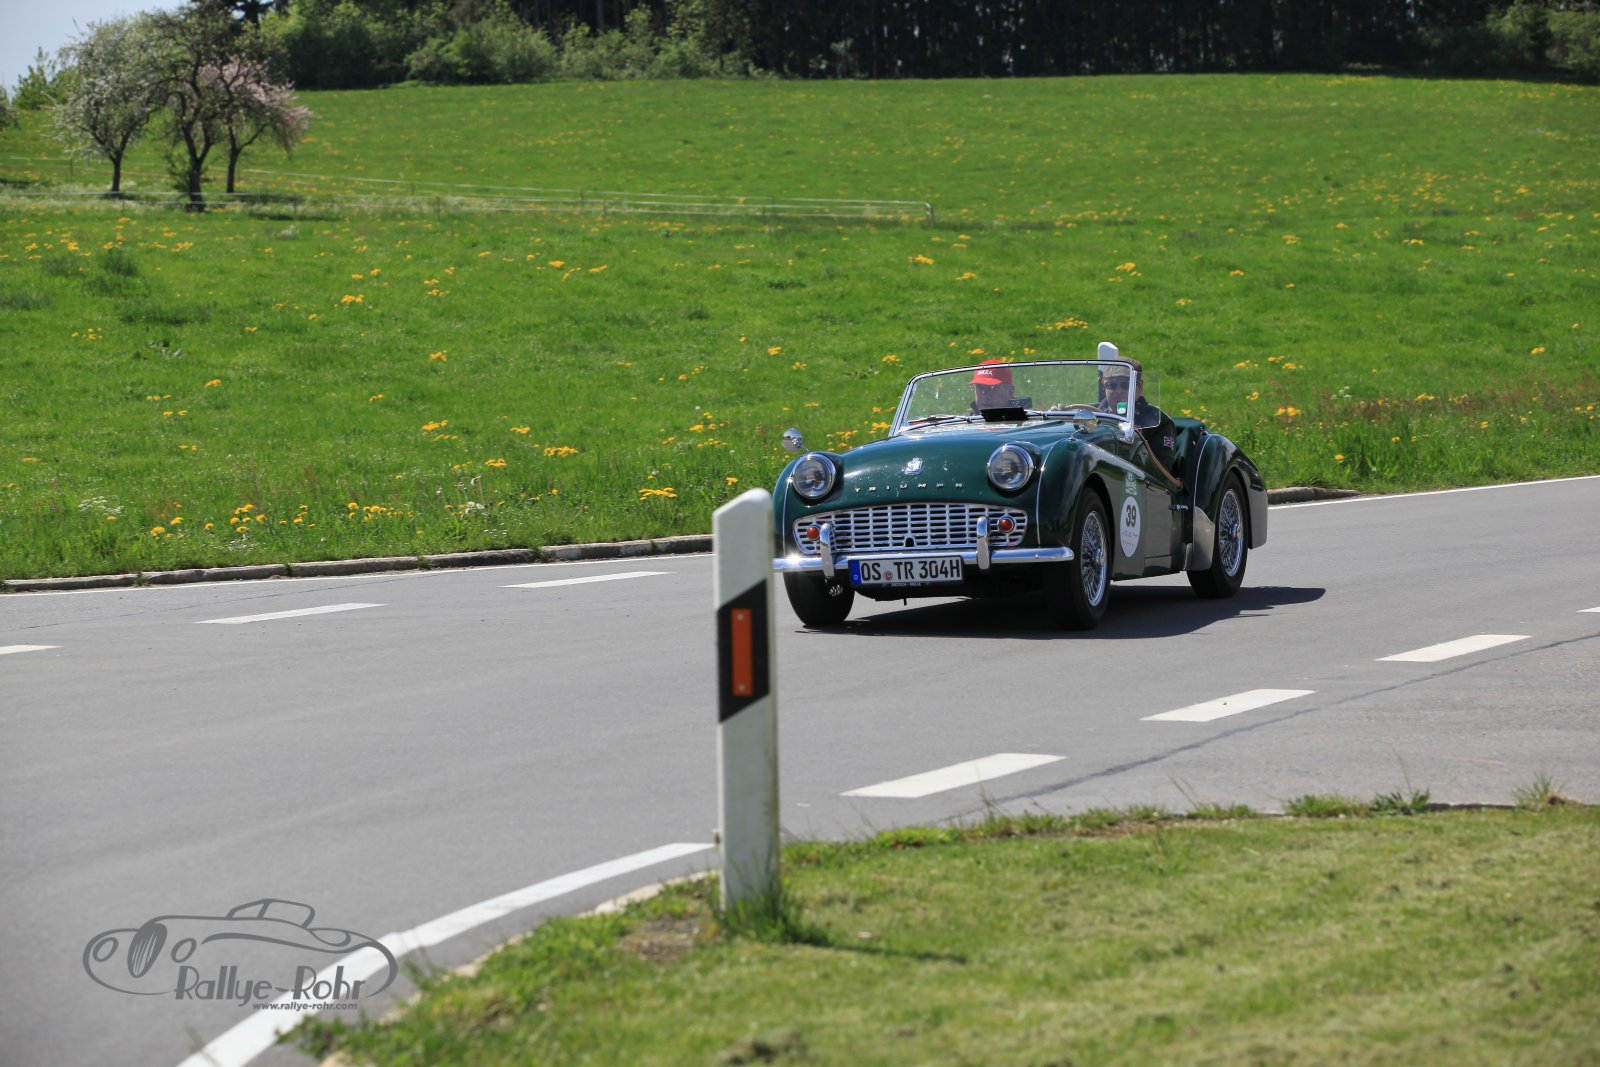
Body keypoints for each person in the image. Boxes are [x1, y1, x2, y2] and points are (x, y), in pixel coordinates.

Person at [1100, 357, 1183, 488]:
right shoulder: (1089, 414)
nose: (1118, 391)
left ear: (1140, 386)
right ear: (1104, 385)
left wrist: (1138, 444)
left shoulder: (1157, 421)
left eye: (1126, 385)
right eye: (1112, 385)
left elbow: (1162, 476)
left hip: (1138, 488)